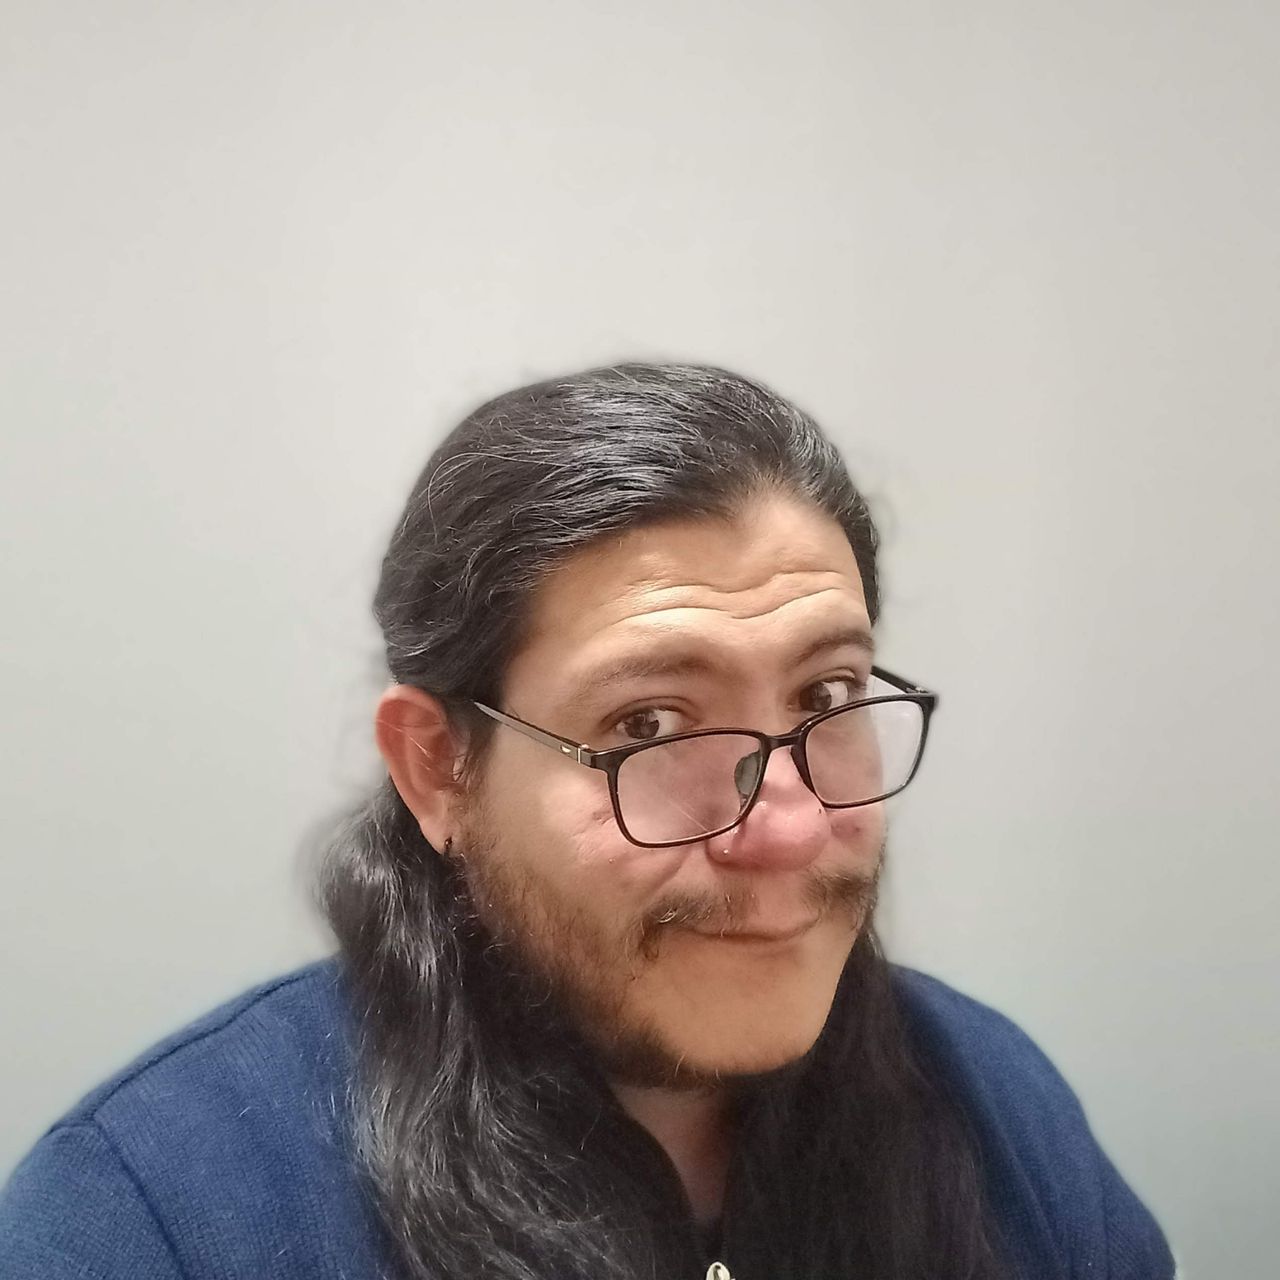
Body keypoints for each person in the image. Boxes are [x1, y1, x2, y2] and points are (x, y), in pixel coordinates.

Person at [0, 364, 1175, 1279]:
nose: (785, 828)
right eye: (650, 724)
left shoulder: (994, 1111)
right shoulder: (158, 1213)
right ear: (437, 769)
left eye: (825, 697)